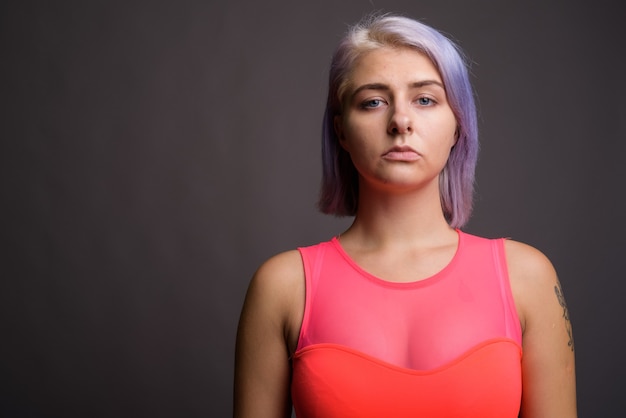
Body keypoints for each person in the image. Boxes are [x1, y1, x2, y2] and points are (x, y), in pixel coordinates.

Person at [234, 13, 576, 418]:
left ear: (457, 126)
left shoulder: (529, 279)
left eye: (426, 99)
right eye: (373, 102)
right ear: (341, 131)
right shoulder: (283, 287)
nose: (400, 122)